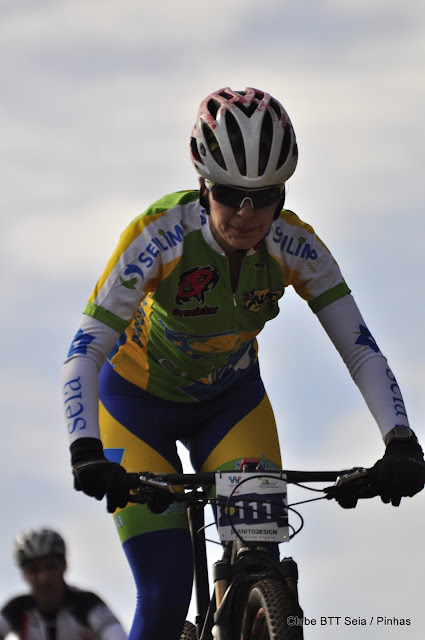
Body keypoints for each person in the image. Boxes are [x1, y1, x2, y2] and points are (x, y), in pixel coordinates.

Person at [61, 87, 425, 640]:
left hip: (230, 406)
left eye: (265, 195)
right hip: (134, 409)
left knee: (259, 553)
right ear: (204, 185)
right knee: (165, 589)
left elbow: (360, 349)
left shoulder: (296, 245)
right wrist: (85, 450)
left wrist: (400, 440)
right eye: (231, 194)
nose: (247, 213)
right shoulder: (159, 236)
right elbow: (84, 351)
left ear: (283, 192)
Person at [0, 527, 127, 640]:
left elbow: (118, 636)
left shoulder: (87, 603)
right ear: (24, 574)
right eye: (34, 570)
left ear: (64, 565)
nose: (44, 578)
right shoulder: (16, 608)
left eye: (50, 566)